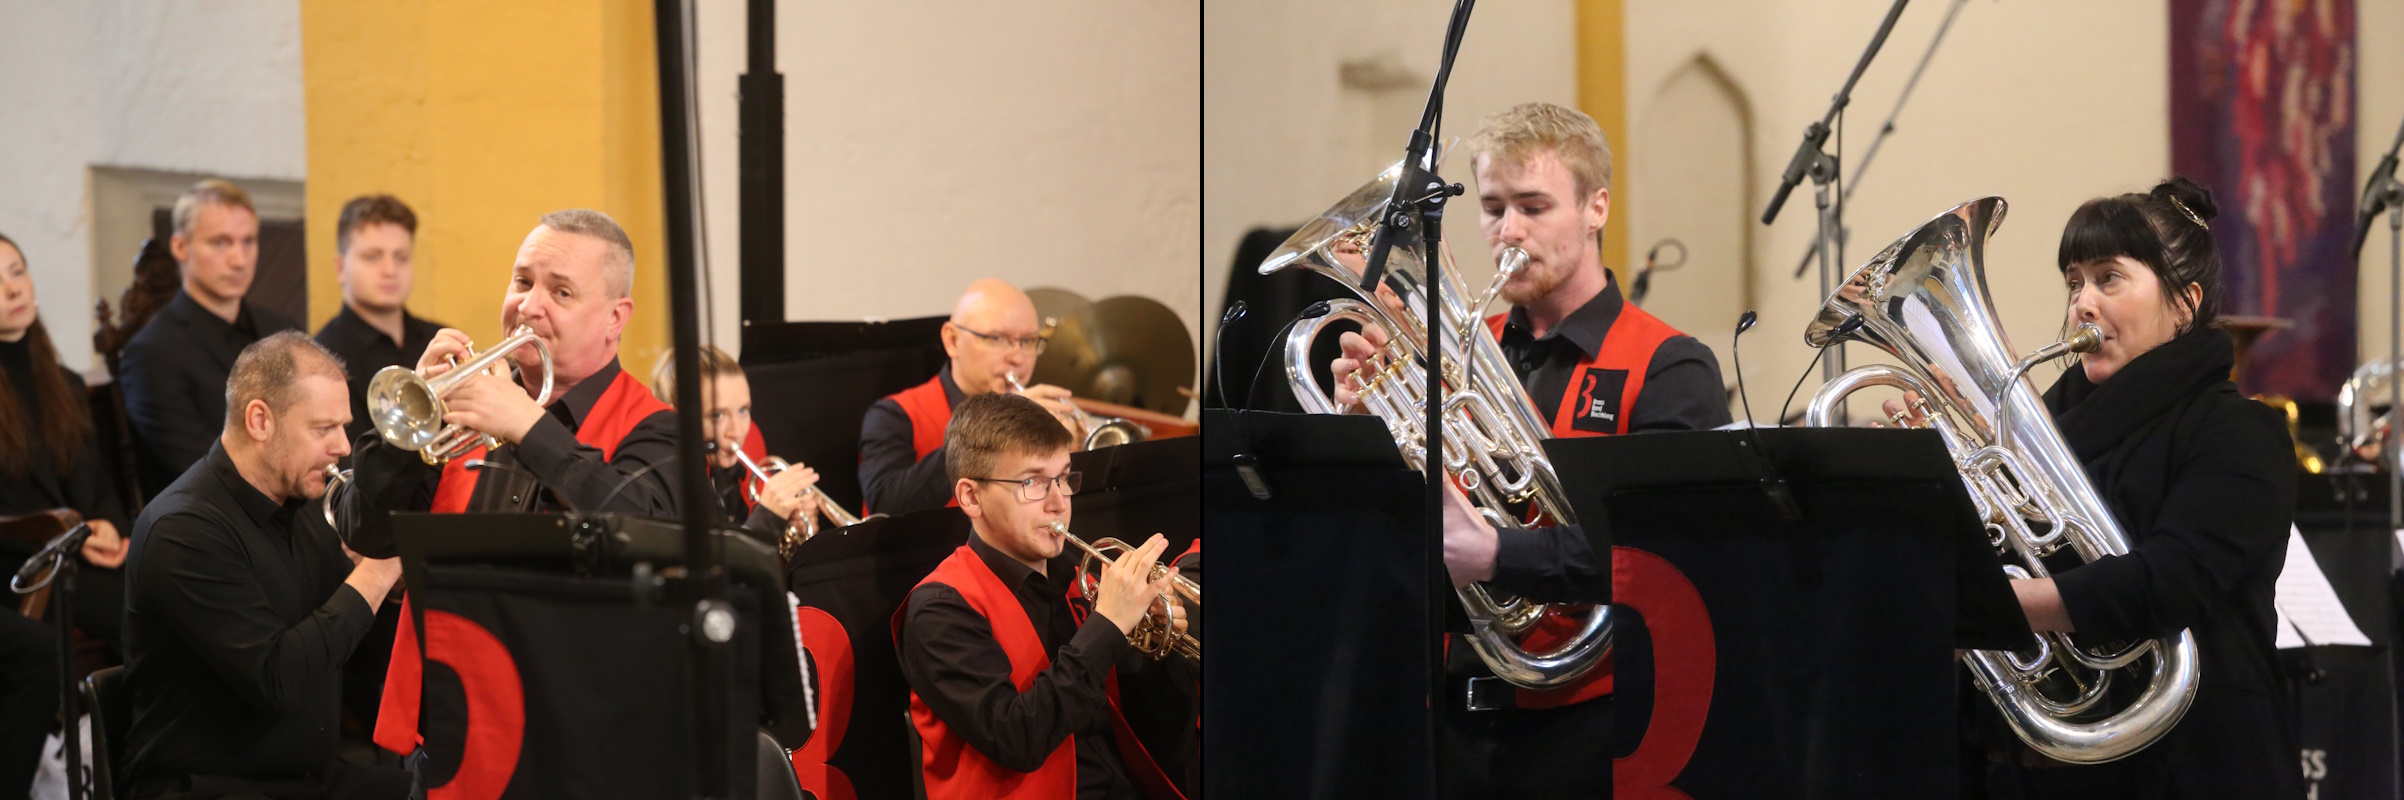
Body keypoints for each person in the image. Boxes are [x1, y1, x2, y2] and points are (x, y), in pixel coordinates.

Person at [1348, 102, 1730, 797]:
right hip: (1454, 715)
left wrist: (1498, 556)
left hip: (1596, 728)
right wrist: (1366, 424)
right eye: (1493, 207)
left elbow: (1672, 557)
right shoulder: (1460, 348)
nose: (1509, 232)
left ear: (1596, 208)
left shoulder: (1670, 366)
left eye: (1534, 206)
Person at [1951, 179, 2298, 797]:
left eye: (2109, 278)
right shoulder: (2037, 432)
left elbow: (2175, 576)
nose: (2083, 303)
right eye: (2074, 282)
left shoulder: (2238, 429)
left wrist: (1995, 609)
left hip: (2185, 772)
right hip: (2023, 771)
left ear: (2184, 303)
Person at [119, 332, 409, 799]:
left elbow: (350, 633)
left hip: (308, 780)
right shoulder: (183, 530)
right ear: (260, 420)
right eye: (323, 429)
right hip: (211, 787)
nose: (343, 446)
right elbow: (279, 679)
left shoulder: (303, 503)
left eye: (344, 426)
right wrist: (377, 571)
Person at [895, 393, 1187, 799]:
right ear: (971, 497)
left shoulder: (1076, 582)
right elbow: (1017, 738)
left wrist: (1150, 644)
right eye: (1031, 482)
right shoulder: (940, 609)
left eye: (1065, 477)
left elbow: (1152, 730)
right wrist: (1107, 627)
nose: (1058, 503)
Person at [120, 179, 304, 498]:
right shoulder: (152, 352)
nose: (239, 259)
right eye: (221, 243)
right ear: (180, 247)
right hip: (210, 522)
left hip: (293, 504)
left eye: (248, 242)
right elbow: (199, 466)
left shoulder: (281, 329)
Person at [0, 233, 132, 649]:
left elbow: (100, 482)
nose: (13, 289)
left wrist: (109, 527)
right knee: (155, 612)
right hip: (25, 569)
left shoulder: (67, 385)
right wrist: (76, 536)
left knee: (187, 586)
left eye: (17, 272)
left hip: (83, 554)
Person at [859, 279, 1088, 516]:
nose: (1018, 358)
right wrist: (992, 426)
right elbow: (885, 504)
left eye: (1028, 341)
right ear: (953, 340)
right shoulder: (892, 415)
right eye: (998, 339)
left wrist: (1077, 457)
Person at [649, 345, 827, 540]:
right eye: (717, 415)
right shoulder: (664, 487)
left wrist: (789, 528)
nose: (736, 431)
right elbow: (720, 566)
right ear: (678, 418)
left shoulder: (729, 475)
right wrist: (767, 518)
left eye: (743, 410)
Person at [313, 194, 446, 444]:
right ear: (341, 268)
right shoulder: (321, 357)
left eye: (401, 257)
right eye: (373, 257)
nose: (390, 270)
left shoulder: (438, 339)